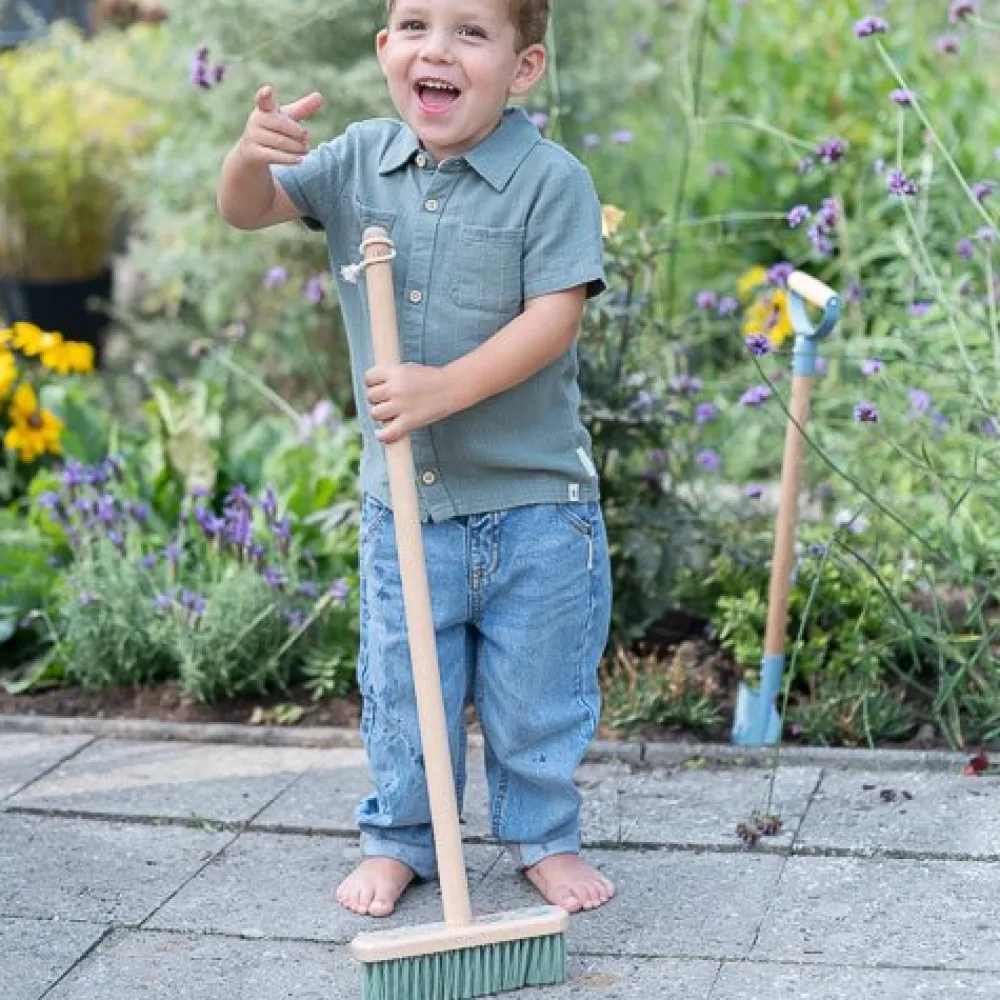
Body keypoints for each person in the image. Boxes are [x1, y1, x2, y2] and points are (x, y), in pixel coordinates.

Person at [217, 0, 614, 919]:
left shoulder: (551, 182)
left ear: (524, 68)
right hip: (407, 506)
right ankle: (402, 838)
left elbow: (554, 320)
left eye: (471, 32)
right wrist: (249, 155)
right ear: (386, 47)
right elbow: (248, 211)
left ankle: (542, 835)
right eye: (416, 25)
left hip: (536, 504)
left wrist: (444, 389)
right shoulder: (357, 161)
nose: (437, 48)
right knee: (403, 686)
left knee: (538, 689)